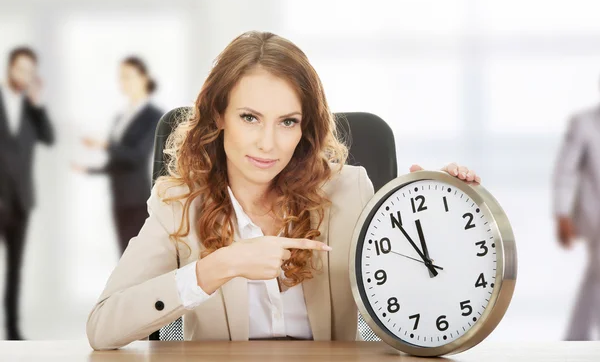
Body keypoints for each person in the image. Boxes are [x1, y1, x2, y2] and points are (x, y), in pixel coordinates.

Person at [86, 31, 481, 350]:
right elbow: (103, 327)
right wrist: (218, 267)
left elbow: (421, 306)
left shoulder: (351, 192)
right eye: (250, 118)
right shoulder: (178, 203)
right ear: (219, 114)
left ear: (304, 127)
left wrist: (436, 210)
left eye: (287, 122)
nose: (267, 143)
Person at [73, 57, 163, 254]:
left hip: (137, 198)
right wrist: (89, 170)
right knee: (123, 256)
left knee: (137, 259)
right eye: (121, 77)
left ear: (144, 78)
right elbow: (118, 161)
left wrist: (103, 144)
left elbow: (137, 156)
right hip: (119, 196)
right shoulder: (120, 118)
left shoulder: (154, 116)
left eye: (128, 77)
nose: (123, 82)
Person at [0, 47, 54, 340]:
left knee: (14, 270)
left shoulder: (31, 109)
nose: (25, 76)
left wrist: (38, 103)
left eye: (30, 71)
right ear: (10, 68)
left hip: (20, 201)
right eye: (21, 69)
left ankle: (12, 330)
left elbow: (49, 137)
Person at [553, 99, 600, 340]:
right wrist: (562, 214)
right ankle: (578, 339)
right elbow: (565, 170)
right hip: (594, 215)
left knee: (595, 277)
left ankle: (576, 339)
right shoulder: (584, 124)